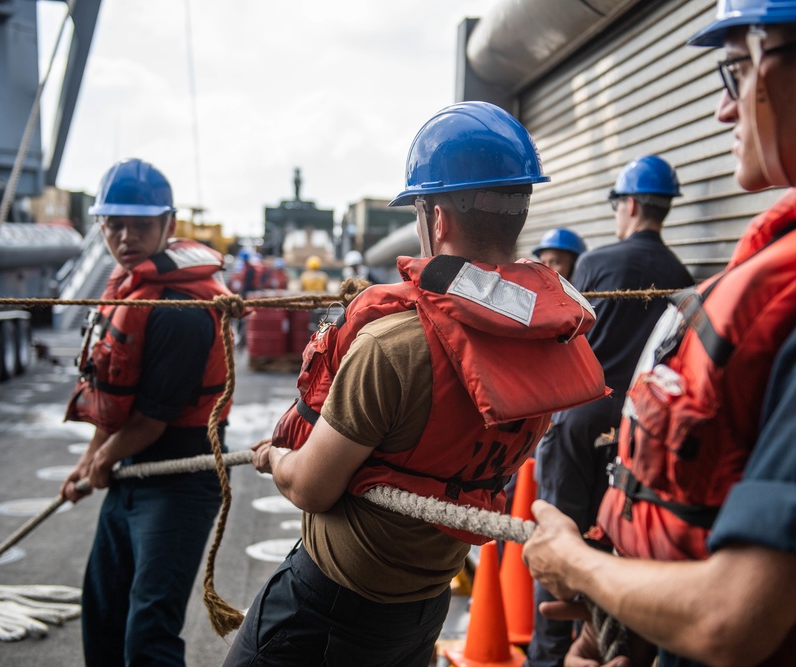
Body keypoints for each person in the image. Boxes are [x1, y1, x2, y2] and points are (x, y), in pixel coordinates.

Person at [523, 2, 796, 666]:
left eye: (735, 72)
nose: (724, 112)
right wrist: (631, 618)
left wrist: (577, 566)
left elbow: (735, 616)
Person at [222, 101, 609, 667]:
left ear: (437, 219)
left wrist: (276, 457)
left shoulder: (392, 346)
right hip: (422, 607)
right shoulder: (548, 344)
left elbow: (310, 487)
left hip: (328, 609)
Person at [60, 158, 233, 667]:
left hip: (178, 482)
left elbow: (151, 418)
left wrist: (101, 462)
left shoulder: (180, 309)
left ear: (169, 225)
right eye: (115, 224)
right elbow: (117, 403)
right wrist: (90, 458)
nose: (126, 236)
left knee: (148, 634)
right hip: (130, 470)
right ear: (101, 226)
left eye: (140, 224)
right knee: (103, 611)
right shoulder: (130, 289)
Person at [527, 155, 694, 667]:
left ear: (631, 204)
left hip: (580, 421)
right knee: (613, 543)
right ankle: (606, 643)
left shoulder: (598, 265)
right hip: (635, 433)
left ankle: (550, 656)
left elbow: (564, 344)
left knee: (559, 539)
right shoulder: (683, 276)